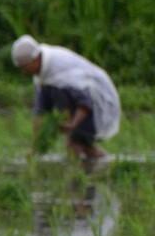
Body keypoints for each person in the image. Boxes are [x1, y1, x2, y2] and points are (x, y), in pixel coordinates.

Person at [11, 35, 120, 165]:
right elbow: (40, 112)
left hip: (93, 101)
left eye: (25, 67)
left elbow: (85, 102)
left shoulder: (61, 69)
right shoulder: (42, 76)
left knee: (74, 145)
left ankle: (79, 178)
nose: (24, 72)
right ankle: (104, 167)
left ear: (35, 59)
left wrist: (73, 124)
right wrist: (35, 147)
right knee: (85, 147)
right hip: (75, 108)